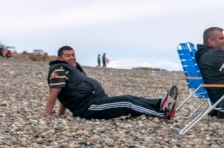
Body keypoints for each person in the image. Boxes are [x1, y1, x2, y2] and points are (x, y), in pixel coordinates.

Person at [44, 46, 178, 119]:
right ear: (60, 58)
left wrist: (61, 113)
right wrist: (47, 114)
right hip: (89, 108)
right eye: (68, 55)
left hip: (97, 100)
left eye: (73, 54)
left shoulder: (73, 70)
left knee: (130, 97)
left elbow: (66, 95)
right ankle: (161, 113)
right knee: (126, 102)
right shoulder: (59, 69)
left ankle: (159, 103)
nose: (72, 57)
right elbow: (55, 91)